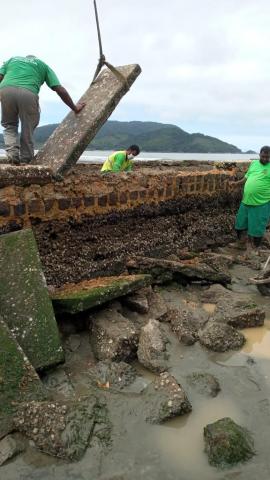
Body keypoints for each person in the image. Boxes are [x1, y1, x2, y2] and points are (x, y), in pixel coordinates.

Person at [0, 55, 85, 165]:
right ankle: (26, 159)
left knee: (9, 124)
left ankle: (12, 154)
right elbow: (59, 89)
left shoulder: (12, 60)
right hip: (28, 92)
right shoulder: (43, 65)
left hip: (5, 89)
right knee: (28, 126)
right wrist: (74, 107)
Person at [230, 145, 270, 250]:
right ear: (259, 155)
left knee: (257, 227)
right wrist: (236, 183)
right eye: (263, 156)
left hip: (261, 203)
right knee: (240, 224)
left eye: (268, 157)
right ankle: (240, 243)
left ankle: (255, 248)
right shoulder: (254, 164)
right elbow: (246, 177)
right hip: (246, 201)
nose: (265, 159)